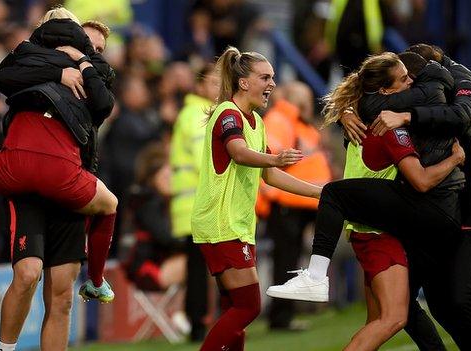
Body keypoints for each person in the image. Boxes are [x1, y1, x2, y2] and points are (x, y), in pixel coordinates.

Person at [267, 52, 469, 349]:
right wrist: (455, 159)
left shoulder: (361, 116)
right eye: (403, 80)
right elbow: (421, 180)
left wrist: (347, 111)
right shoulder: (387, 126)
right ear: (385, 91)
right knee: (394, 317)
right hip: (377, 231)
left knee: (379, 320)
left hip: (366, 227)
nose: (411, 83)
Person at [0, 9, 118, 303]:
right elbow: (6, 77)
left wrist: (82, 63)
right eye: (90, 44)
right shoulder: (37, 58)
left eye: (99, 50)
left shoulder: (94, 71)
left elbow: (103, 104)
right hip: (53, 173)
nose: (94, 52)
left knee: (61, 294)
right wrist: (60, 72)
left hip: (62, 170)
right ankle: (96, 280)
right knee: (29, 276)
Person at [353, 43, 471, 350]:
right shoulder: (427, 88)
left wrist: (405, 116)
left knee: (460, 299)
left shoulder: (461, 80)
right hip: (439, 204)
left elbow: (462, 115)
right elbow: (373, 106)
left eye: (411, 80)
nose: (409, 86)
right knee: (426, 302)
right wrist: (347, 112)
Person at [191, 46, 322, 351]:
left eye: (273, 77)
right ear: (244, 82)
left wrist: (319, 192)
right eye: (265, 77)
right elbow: (237, 152)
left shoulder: (257, 122)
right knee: (249, 306)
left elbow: (271, 177)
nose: (272, 84)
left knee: (235, 306)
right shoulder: (228, 113)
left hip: (235, 225)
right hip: (220, 224)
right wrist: (274, 160)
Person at [260, 81, 332, 331]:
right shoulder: (280, 120)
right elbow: (270, 160)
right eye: (307, 99)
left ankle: (286, 315)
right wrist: (270, 194)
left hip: (304, 202)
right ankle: (280, 318)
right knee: (286, 260)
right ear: (296, 100)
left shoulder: (300, 123)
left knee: (293, 259)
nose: (311, 104)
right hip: (287, 203)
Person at [0, 195, 86, 351]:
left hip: (69, 195)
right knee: (27, 275)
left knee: (63, 298)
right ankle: (4, 349)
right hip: (28, 193)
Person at [169, 63, 219, 341]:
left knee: (201, 269)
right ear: (199, 85)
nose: (217, 88)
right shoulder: (197, 115)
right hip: (197, 206)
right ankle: (198, 324)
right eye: (212, 82)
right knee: (201, 270)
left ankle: (201, 321)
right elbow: (208, 161)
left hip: (196, 205)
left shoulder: (197, 113)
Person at [123, 144, 186, 291]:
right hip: (144, 269)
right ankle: (194, 313)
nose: (172, 181)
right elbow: (165, 238)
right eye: (166, 176)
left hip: (156, 262)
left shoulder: (156, 200)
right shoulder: (147, 202)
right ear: (153, 177)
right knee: (200, 259)